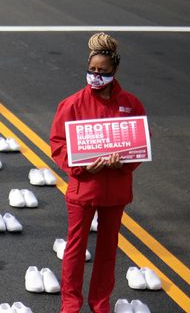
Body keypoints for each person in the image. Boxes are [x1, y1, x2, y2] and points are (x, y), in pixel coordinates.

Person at [49, 33, 146, 313]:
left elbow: (141, 143)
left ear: (114, 71)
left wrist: (123, 162)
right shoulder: (72, 104)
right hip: (84, 187)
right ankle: (71, 302)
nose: (95, 76)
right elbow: (58, 143)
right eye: (92, 70)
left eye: (102, 72)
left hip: (116, 189)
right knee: (76, 247)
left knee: (107, 249)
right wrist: (81, 166)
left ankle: (100, 302)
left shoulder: (131, 103)